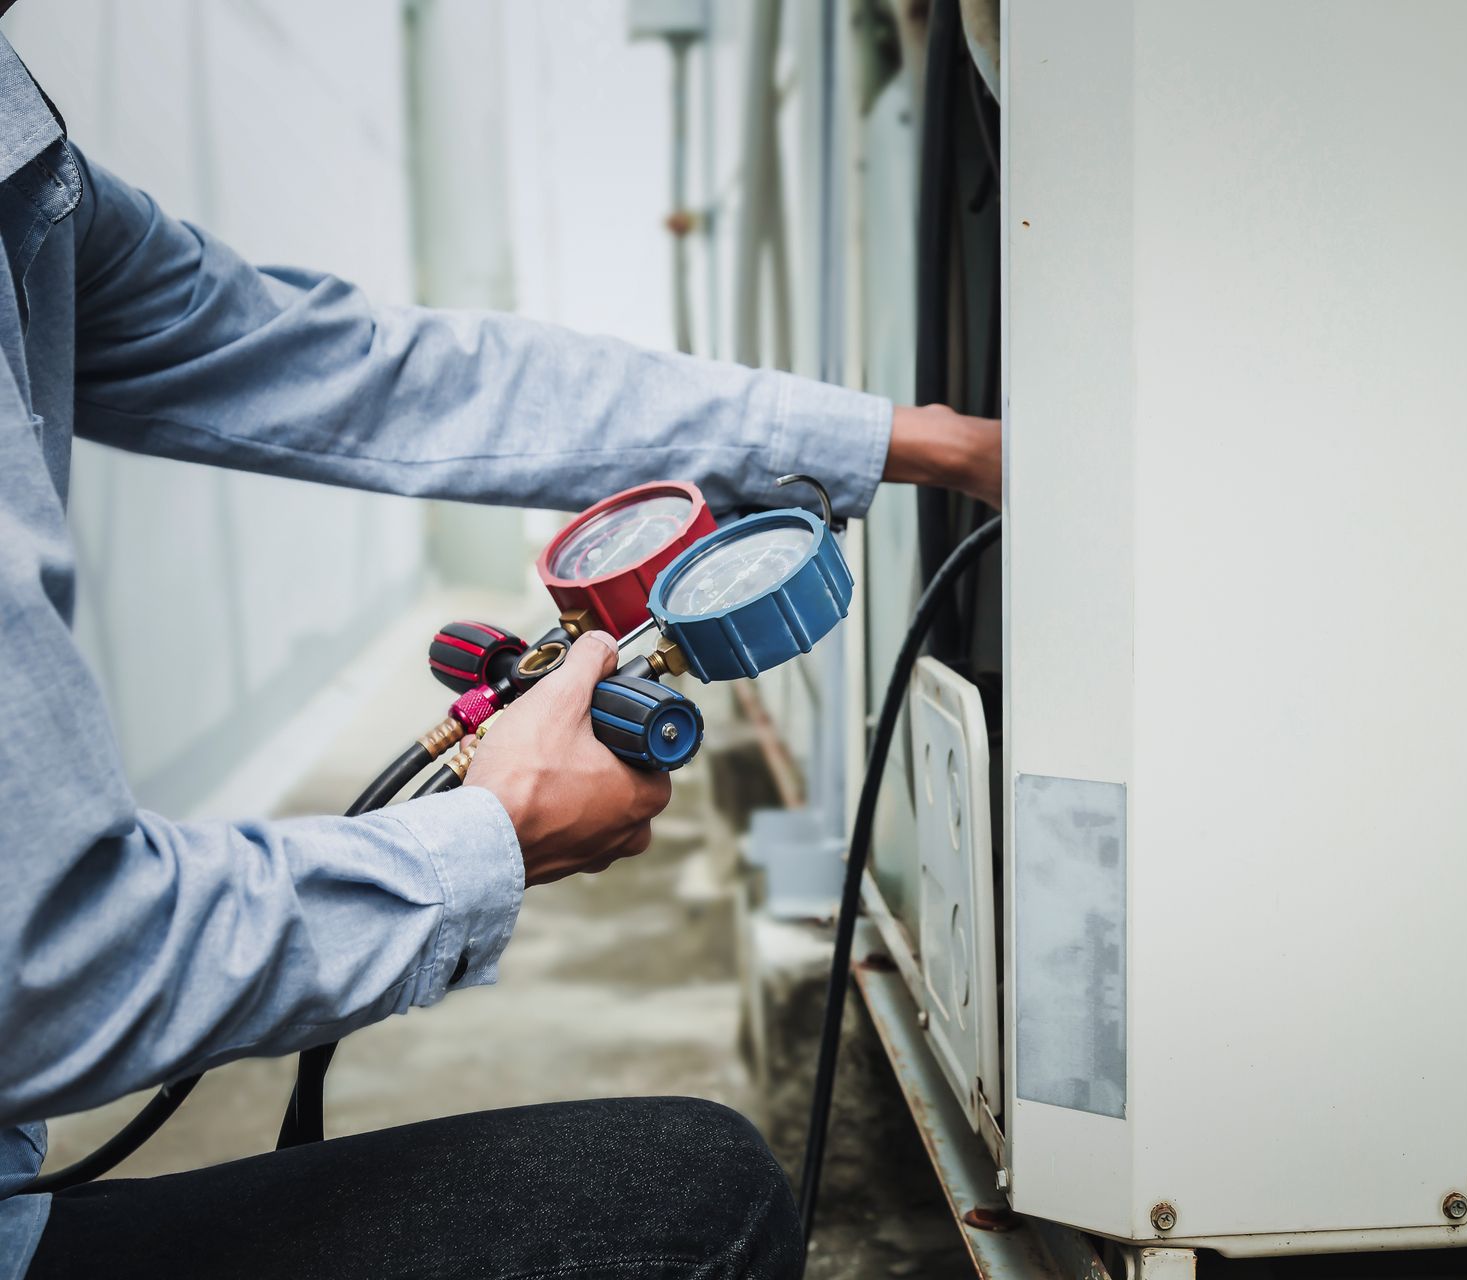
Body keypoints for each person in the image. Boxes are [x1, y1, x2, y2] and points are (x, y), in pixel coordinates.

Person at [0, 25, 998, 1280]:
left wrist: (909, 438)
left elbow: (378, 374)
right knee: (697, 1196)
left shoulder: (24, 171)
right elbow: (51, 966)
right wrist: (483, 841)